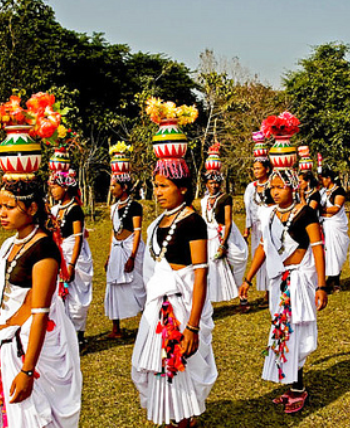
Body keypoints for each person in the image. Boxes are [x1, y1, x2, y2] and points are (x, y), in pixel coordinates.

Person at [131, 100, 216, 427]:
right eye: (156, 186)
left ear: (183, 188)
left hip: (181, 313)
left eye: (164, 186)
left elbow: (200, 277)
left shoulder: (193, 222)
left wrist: (193, 326)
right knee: (155, 372)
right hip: (157, 311)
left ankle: (182, 421)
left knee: (180, 374)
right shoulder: (160, 222)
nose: (158, 192)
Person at [239, 113, 328, 414]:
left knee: (295, 333)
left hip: (300, 282)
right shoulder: (268, 215)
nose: (275, 191)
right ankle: (292, 385)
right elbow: (264, 247)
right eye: (272, 187)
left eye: (281, 186)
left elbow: (317, 248)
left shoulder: (305, 214)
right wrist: (248, 279)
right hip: (279, 282)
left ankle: (299, 389)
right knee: (281, 331)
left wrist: (322, 285)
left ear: (292, 185)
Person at [0, 178, 82, 428]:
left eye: (9, 207)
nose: (1, 213)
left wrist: (27, 371)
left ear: (31, 209)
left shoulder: (43, 249)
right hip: (10, 343)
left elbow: (40, 312)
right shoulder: (11, 244)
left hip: (30, 351)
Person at [105, 144, 146, 338]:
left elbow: (137, 232)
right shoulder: (113, 208)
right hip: (116, 249)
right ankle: (116, 328)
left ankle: (147, 322)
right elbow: (113, 233)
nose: (112, 189)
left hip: (131, 248)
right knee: (113, 286)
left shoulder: (135, 206)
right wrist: (109, 255)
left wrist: (132, 256)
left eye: (115, 185)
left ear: (125, 187)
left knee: (139, 285)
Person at [49, 169, 94, 348]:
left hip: (72, 257)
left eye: (55, 187)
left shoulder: (75, 210)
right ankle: (64, 332)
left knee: (76, 297)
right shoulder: (56, 209)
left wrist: (72, 264)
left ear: (65, 187)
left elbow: (78, 238)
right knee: (60, 296)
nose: (53, 190)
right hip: (59, 255)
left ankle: (79, 335)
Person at [200, 143, 248, 303]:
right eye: (211, 182)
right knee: (210, 268)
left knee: (238, 259)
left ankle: (242, 294)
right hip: (209, 235)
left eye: (216, 183)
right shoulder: (204, 200)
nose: (214, 185)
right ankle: (210, 300)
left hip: (225, 234)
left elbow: (228, 221)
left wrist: (223, 244)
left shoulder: (226, 198)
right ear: (206, 184)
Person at [244, 133, 274, 307]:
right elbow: (248, 208)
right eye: (254, 168)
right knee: (259, 257)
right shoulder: (251, 187)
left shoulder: (273, 184)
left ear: (267, 169)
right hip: (257, 228)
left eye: (258, 168)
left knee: (270, 256)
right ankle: (265, 291)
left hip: (270, 225)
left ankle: (271, 291)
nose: (255, 171)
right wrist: (247, 228)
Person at [319, 168, 350, 291]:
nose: (322, 182)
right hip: (325, 224)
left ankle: (335, 279)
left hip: (336, 225)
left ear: (329, 179)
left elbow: (335, 209)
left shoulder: (339, 191)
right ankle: (331, 278)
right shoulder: (322, 192)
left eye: (323, 179)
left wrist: (321, 210)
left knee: (336, 252)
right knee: (328, 252)